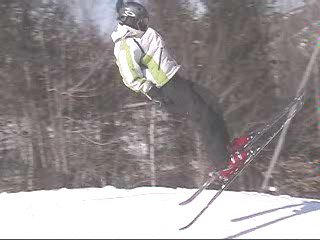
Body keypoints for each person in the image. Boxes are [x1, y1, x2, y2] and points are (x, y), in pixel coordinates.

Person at [111, 1, 253, 181]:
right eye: (141, 22)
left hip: (175, 80)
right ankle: (223, 164)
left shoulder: (138, 36)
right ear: (130, 20)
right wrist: (154, 94)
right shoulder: (125, 45)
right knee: (202, 115)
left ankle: (227, 149)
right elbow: (130, 77)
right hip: (165, 89)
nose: (144, 26)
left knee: (211, 102)